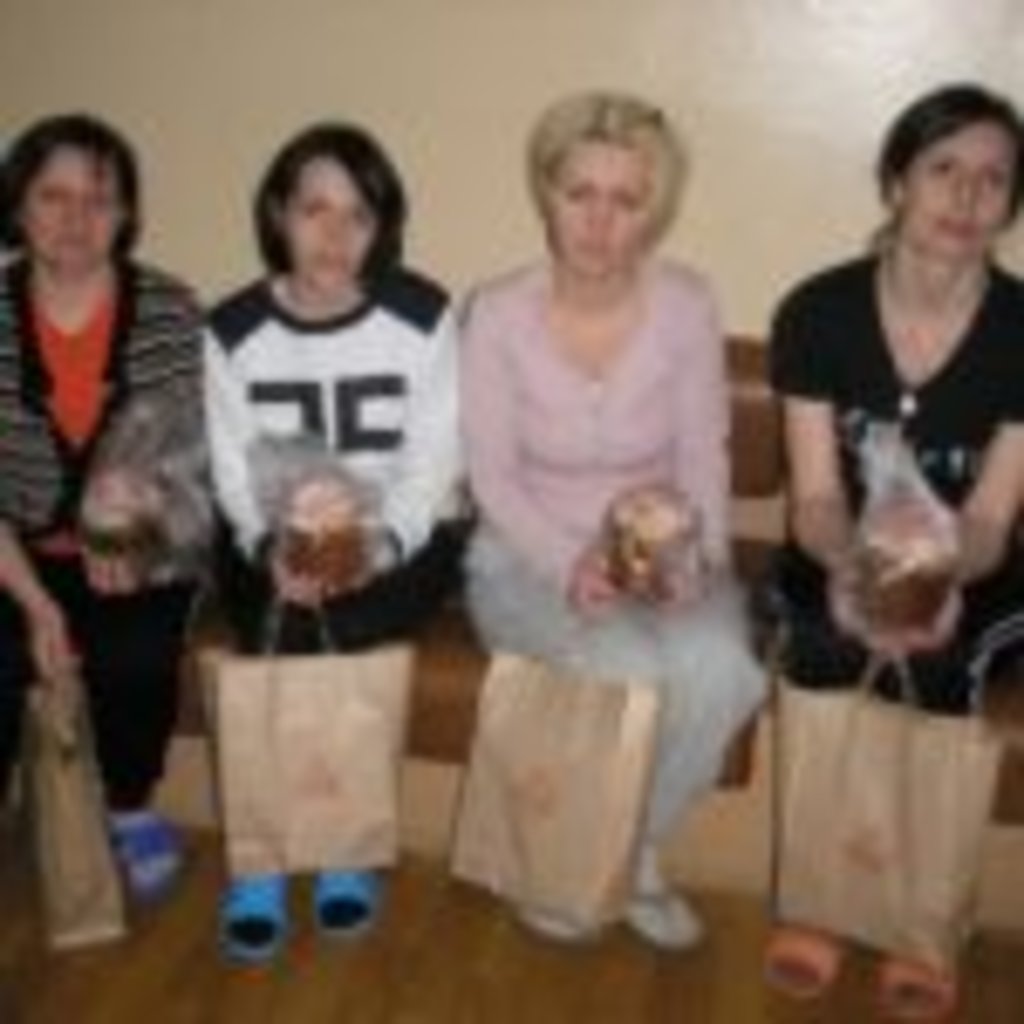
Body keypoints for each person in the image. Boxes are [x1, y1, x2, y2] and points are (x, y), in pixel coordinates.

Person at [461, 91, 765, 950]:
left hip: (665, 551)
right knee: (625, 666)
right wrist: (573, 563)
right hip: (526, 555)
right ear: (547, 194)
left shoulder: (687, 304)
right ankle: (596, 864)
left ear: (653, 213)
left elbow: (703, 453)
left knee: (725, 669)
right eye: (580, 194)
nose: (598, 223)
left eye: (625, 201)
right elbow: (492, 478)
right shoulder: (497, 313)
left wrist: (693, 559)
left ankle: (624, 854)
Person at [766, 83, 1024, 1019]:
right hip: (839, 550)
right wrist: (858, 574)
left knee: (943, 664)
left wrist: (935, 582)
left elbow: (991, 518)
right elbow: (815, 500)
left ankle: (923, 927)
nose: (966, 197)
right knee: (827, 648)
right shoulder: (817, 312)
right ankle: (819, 905)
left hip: (972, 568)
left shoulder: (1021, 331)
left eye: (993, 179)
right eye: (942, 169)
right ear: (895, 183)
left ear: (1011, 203)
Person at [205, 122, 463, 962]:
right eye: (314, 209)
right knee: (278, 619)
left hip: (402, 531)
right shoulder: (232, 329)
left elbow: (432, 467)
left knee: (342, 623)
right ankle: (263, 861)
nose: (335, 235)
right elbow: (232, 474)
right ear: (278, 214)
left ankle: (342, 848)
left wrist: (375, 546)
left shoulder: (423, 315)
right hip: (271, 531)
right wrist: (273, 548)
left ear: (383, 226)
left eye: (359, 214)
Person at [0, 114, 205, 900]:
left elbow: (195, 463)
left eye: (99, 199)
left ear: (126, 215)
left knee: (135, 657)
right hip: (14, 554)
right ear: (19, 207)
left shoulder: (170, 309)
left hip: (144, 547)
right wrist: (35, 605)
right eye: (53, 197)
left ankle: (129, 808)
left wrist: (140, 526)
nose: (76, 219)